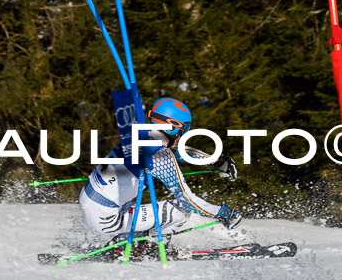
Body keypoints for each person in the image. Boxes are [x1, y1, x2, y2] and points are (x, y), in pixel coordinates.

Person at [78, 97, 241, 258]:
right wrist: (222, 213)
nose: (183, 135)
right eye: (184, 129)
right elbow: (187, 200)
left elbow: (179, 152)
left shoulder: (138, 135)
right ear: (173, 127)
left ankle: (125, 243)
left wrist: (216, 160)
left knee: (146, 208)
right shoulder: (161, 156)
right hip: (108, 219)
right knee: (181, 211)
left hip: (91, 203)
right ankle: (151, 247)